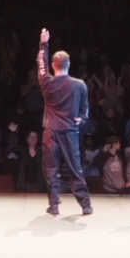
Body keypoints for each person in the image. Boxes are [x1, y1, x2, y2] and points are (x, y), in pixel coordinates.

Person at [38, 28, 94, 215]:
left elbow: (40, 64)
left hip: (51, 130)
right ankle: (85, 205)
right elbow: (85, 108)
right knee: (74, 167)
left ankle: (54, 205)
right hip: (69, 130)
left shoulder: (47, 82)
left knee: (51, 168)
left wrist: (44, 44)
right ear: (69, 64)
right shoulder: (80, 84)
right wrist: (82, 118)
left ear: (54, 65)